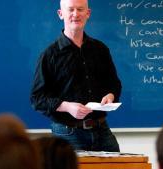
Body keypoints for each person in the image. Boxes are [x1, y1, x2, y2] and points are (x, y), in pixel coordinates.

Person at [30, 0, 121, 152]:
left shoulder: (100, 49)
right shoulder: (49, 55)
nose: (75, 14)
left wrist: (110, 96)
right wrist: (67, 107)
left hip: (101, 130)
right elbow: (37, 98)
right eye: (70, 9)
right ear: (61, 14)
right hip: (68, 134)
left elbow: (114, 84)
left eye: (80, 9)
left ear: (88, 13)